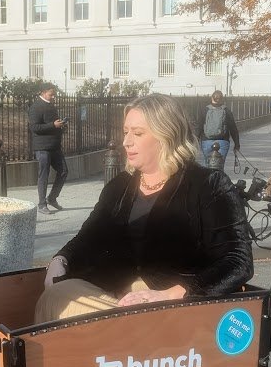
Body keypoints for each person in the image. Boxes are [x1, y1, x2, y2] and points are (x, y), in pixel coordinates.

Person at [36, 94, 253, 322]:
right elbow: (88, 238)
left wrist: (171, 294)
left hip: (172, 306)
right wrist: (61, 259)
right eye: (125, 132)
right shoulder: (119, 186)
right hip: (113, 294)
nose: (126, 142)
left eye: (137, 133)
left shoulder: (209, 185)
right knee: (56, 296)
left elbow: (238, 261)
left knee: (84, 313)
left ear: (166, 136)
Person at [29, 83, 69, 213]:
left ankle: (52, 198)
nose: (53, 97)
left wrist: (62, 126)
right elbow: (34, 128)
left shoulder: (51, 106)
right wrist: (53, 125)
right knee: (44, 175)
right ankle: (41, 204)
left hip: (54, 146)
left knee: (63, 171)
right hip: (42, 148)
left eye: (54, 94)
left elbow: (54, 124)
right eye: (51, 94)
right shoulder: (36, 107)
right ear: (43, 92)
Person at [198, 89, 240, 164]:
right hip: (222, 142)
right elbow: (233, 129)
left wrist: (195, 142)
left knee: (208, 165)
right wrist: (237, 144)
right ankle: (218, 175)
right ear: (222, 99)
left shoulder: (205, 110)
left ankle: (209, 175)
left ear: (211, 98)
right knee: (219, 166)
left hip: (206, 141)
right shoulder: (226, 111)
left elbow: (199, 127)